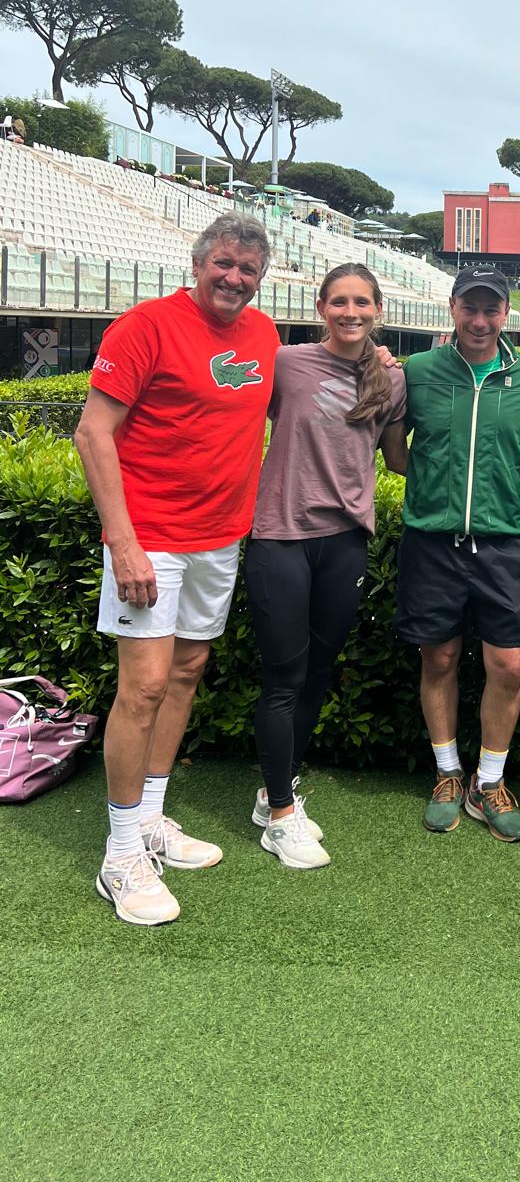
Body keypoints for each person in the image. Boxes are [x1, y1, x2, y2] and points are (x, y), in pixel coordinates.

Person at [75, 215, 277, 926]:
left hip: (220, 538)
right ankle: (121, 853)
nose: (234, 278)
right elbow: (93, 431)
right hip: (149, 536)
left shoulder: (265, 336)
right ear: (199, 264)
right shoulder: (145, 327)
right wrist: (122, 542)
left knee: (187, 671)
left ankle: (152, 819)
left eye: (248, 269)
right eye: (224, 263)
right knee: (145, 687)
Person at [395, 266, 520, 844]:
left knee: (510, 666)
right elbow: (389, 446)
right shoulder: (417, 373)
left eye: (490, 310)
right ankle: (448, 774)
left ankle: (488, 781)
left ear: (506, 314)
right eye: (469, 308)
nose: (479, 320)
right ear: (451, 309)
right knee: (438, 661)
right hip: (432, 541)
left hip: (506, 542)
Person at [246, 265, 408, 870]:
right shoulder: (287, 363)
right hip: (281, 537)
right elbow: (235, 418)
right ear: (320, 307)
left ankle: (273, 795)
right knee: (284, 678)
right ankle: (284, 816)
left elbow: (395, 458)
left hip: (345, 542)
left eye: (361, 302)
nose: (351, 312)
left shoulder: (391, 380)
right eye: (339, 302)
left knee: (316, 674)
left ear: (377, 308)